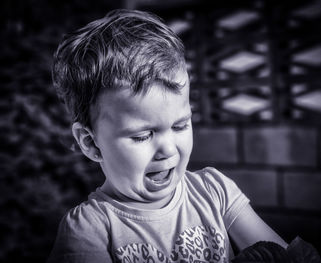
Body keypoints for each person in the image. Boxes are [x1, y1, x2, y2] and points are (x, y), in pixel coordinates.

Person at [47, 9, 287, 263]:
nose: (168, 150)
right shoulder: (89, 231)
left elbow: (285, 257)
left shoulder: (215, 193)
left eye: (180, 125)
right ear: (90, 142)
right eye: (142, 136)